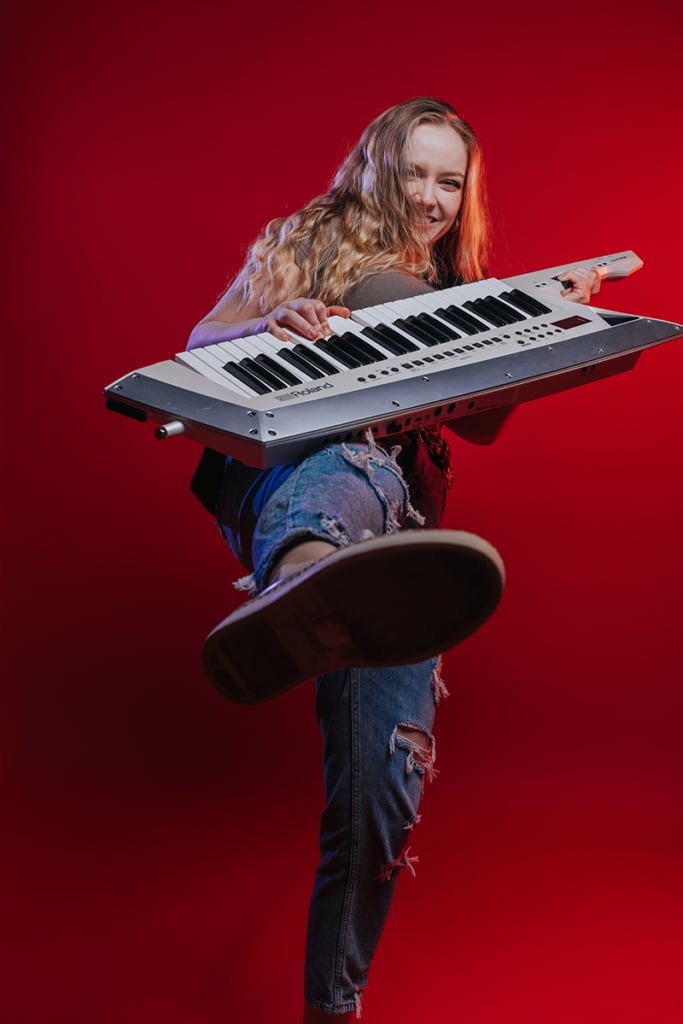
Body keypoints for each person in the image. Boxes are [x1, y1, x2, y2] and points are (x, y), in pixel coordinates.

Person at [186, 98, 601, 1021]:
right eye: (413, 173)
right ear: (377, 167)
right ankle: (292, 580)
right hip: (298, 480)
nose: (428, 197)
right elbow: (200, 344)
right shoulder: (310, 239)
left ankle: (333, 1008)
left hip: (394, 552)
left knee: (383, 794)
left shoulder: (459, 284)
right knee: (357, 450)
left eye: (448, 181)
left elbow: (484, 421)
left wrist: (536, 325)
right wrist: (269, 323)